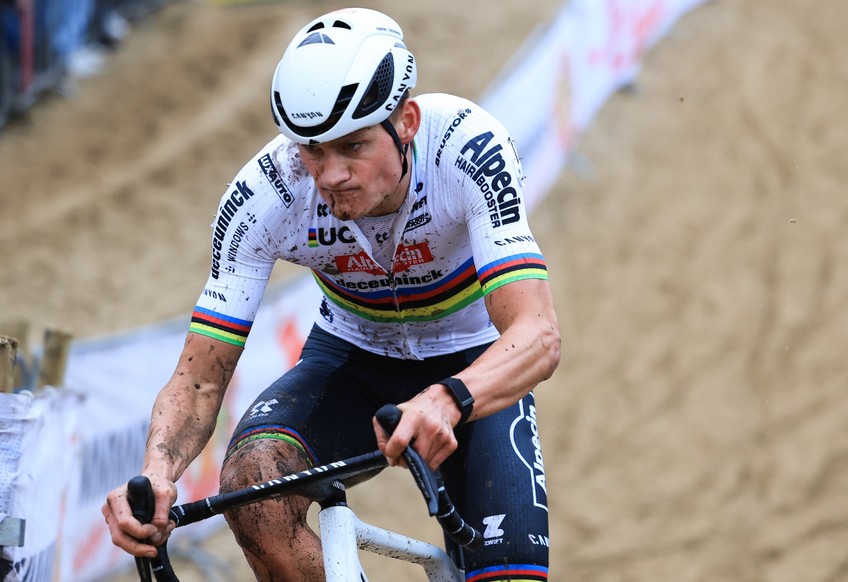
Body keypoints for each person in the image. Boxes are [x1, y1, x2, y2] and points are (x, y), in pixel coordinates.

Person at [103, 7, 560, 581]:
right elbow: (198, 378)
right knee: (253, 485)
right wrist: (156, 478)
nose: (330, 174)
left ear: (408, 122)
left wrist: (446, 399)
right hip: (352, 360)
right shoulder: (266, 195)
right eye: (312, 149)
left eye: (354, 147)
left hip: (472, 364)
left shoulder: (466, 150)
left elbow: (537, 335)